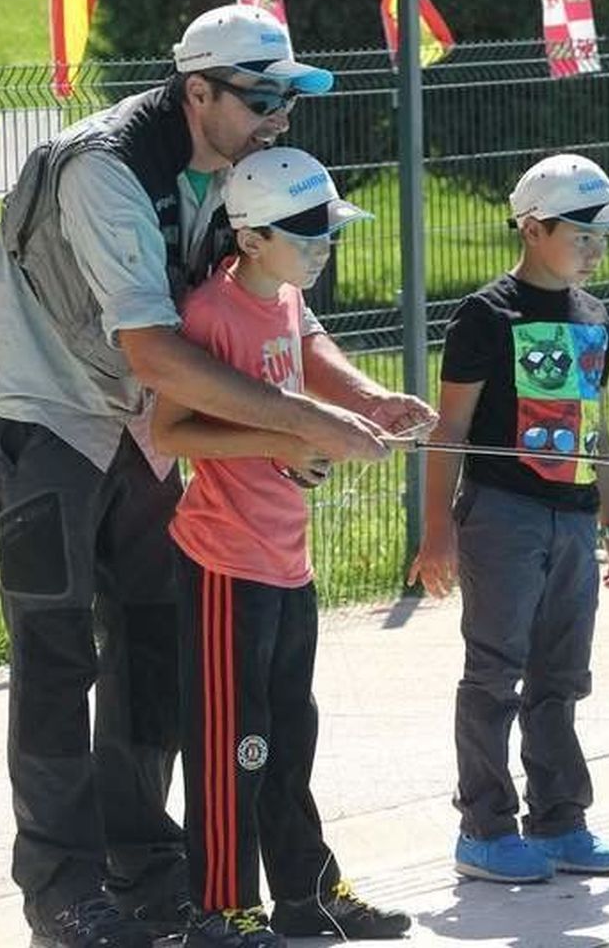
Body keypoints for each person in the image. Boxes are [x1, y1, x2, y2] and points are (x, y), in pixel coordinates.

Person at [0, 5, 434, 948]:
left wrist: (364, 398)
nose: (279, 118)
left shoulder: (234, 171)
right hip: (38, 401)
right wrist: (304, 422)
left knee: (155, 641)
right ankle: (62, 892)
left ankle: (146, 871)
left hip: (137, 411)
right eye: (261, 98)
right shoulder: (105, 168)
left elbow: (282, 314)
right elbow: (157, 351)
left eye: (287, 97)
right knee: (57, 652)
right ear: (196, 89)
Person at [151, 147, 413, 947]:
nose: (323, 244)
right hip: (225, 565)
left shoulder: (285, 295)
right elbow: (171, 430)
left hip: (285, 560)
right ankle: (222, 905)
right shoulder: (210, 314)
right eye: (307, 233)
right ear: (253, 237)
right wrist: (287, 436)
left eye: (327, 228)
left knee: (290, 734)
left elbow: (308, 347)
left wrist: (372, 401)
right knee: (240, 739)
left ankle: (307, 893)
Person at [405, 153, 609, 885]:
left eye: (605, 235)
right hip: (502, 515)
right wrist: (438, 528)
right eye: (583, 234)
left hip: (574, 518)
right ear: (534, 227)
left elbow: (595, 427)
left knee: (562, 674)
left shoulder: (597, 318)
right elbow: (451, 428)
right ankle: (483, 827)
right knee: (495, 671)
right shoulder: (486, 314)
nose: (597, 249)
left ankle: (560, 818)